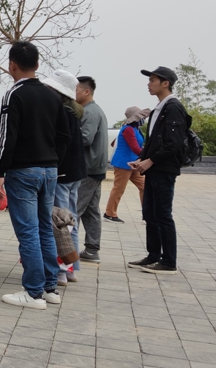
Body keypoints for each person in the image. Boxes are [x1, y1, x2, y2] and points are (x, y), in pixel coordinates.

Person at [0, 41, 70, 309]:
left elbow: (6, 138)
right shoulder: (52, 95)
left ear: (11, 65)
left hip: (22, 171)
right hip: (50, 170)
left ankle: (33, 292)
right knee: (44, 229)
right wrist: (52, 160)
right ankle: (50, 287)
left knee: (28, 232)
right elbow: (64, 135)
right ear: (38, 65)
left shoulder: (14, 94)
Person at [128, 66, 188, 275]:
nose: (149, 83)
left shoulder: (173, 107)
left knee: (163, 214)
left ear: (166, 83)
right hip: (153, 167)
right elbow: (155, 142)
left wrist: (150, 161)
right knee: (150, 213)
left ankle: (169, 261)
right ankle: (154, 255)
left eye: (153, 80)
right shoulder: (158, 109)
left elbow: (174, 144)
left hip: (164, 169)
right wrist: (141, 160)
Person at [42, 70, 85, 285]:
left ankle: (60, 270)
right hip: (76, 173)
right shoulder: (74, 112)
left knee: (58, 223)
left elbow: (60, 145)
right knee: (70, 221)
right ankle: (71, 268)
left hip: (62, 173)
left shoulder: (61, 113)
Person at [75, 76, 108, 264]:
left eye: (76, 90)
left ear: (86, 92)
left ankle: (66, 252)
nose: (74, 94)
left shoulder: (89, 112)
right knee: (91, 210)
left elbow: (85, 138)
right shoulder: (94, 110)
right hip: (96, 167)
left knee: (74, 209)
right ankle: (92, 249)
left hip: (88, 167)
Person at [106, 106, 150, 223]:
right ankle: (109, 213)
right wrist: (148, 154)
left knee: (144, 187)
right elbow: (135, 148)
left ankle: (147, 214)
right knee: (119, 189)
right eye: (141, 117)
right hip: (123, 163)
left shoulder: (135, 129)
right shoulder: (129, 129)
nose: (143, 119)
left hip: (134, 163)